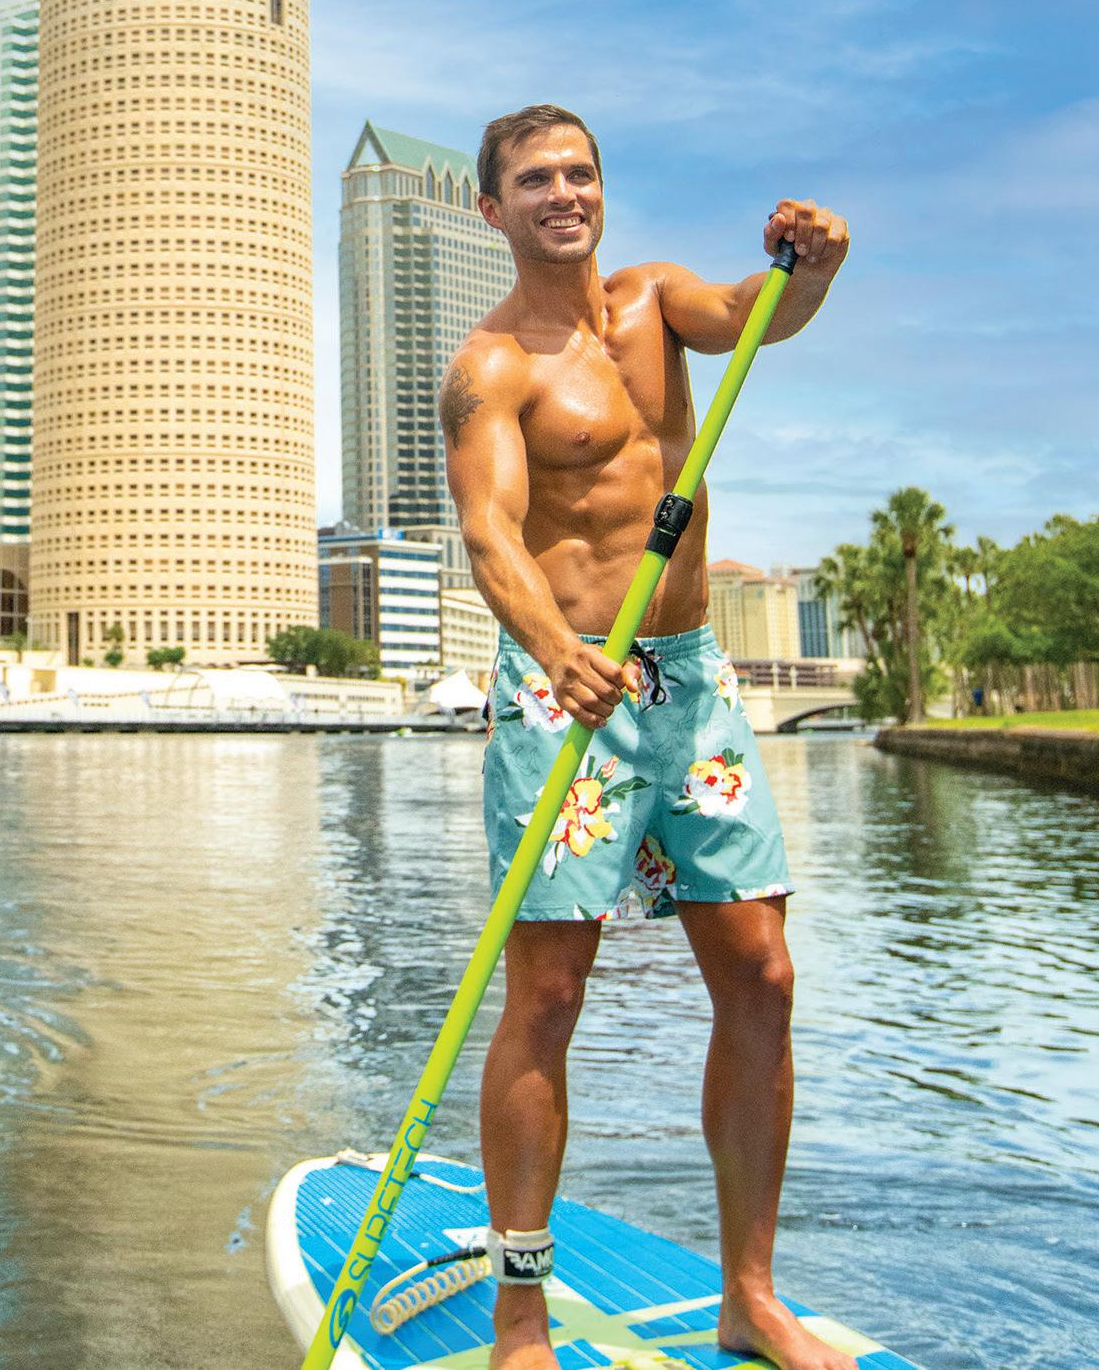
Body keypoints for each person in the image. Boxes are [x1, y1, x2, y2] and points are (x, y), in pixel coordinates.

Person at [440, 105, 851, 1370]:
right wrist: (551, 647)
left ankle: (749, 1295)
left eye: (579, 172)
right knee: (549, 995)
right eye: (533, 179)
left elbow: (754, 313)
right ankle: (519, 1318)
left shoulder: (654, 302)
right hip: (563, 686)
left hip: (689, 683)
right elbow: (489, 530)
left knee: (762, 976)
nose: (562, 192)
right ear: (491, 209)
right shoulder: (490, 367)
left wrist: (812, 266)